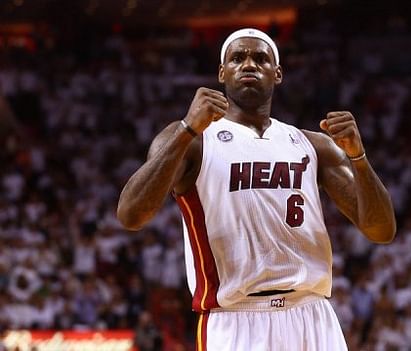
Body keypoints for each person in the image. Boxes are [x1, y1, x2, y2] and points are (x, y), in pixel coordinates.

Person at [117, 28, 396, 351]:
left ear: (277, 74)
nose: (249, 64)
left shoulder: (313, 145)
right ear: (222, 72)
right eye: (237, 58)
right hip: (236, 319)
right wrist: (186, 129)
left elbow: (381, 230)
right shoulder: (194, 140)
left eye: (260, 58)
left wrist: (358, 157)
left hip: (311, 314)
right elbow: (131, 215)